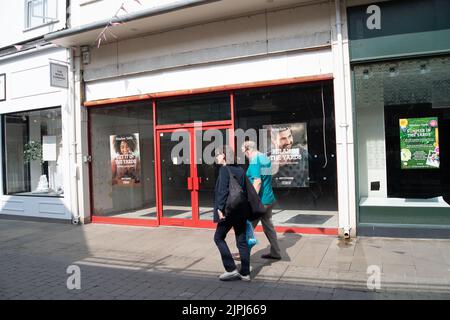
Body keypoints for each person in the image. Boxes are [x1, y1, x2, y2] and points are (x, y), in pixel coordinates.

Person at [213, 146, 251, 281]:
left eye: (217, 154)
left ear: (223, 156)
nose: (216, 157)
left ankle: (231, 269)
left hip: (228, 211)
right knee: (241, 240)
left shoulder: (224, 170)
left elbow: (223, 191)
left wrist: (220, 208)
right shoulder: (240, 170)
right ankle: (245, 273)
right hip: (241, 210)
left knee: (218, 237)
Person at [241, 140, 281, 260]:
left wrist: (250, 201)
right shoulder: (265, 158)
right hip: (269, 199)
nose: (245, 155)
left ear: (248, 149)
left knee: (247, 228)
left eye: (244, 152)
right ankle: (275, 252)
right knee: (268, 227)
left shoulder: (255, 161)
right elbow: (266, 179)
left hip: (260, 202)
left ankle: (243, 254)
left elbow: (257, 182)